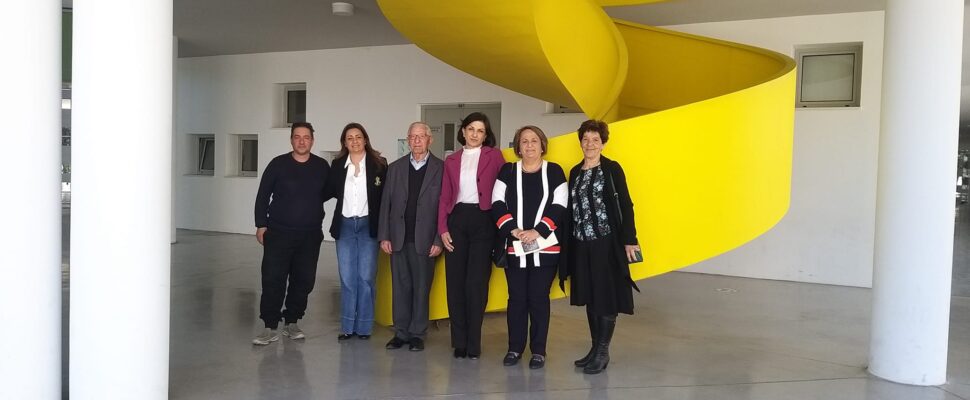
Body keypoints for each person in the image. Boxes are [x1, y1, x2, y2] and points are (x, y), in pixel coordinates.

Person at [559, 119, 641, 374]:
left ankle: (603, 352)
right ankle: (595, 349)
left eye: (595, 140)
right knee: (590, 296)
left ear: (603, 143)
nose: (590, 144)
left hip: (606, 243)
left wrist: (630, 239)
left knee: (605, 296)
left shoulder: (612, 169)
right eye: (585, 139)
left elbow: (626, 204)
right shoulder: (575, 172)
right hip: (581, 244)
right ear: (580, 143)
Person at [491, 126, 567, 369]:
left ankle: (538, 351)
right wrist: (514, 230)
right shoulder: (507, 171)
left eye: (534, 140)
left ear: (542, 145)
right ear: (518, 147)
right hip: (515, 247)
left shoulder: (554, 171)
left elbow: (560, 205)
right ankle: (514, 348)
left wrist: (538, 231)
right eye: (524, 141)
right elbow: (497, 203)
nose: (530, 145)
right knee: (516, 299)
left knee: (538, 299)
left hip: (545, 249)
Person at [252, 122, 330, 345]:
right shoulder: (278, 164)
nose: (302, 141)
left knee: (303, 280)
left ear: (312, 140)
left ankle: (292, 321)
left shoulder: (321, 166)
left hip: (310, 235)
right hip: (278, 233)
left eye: (306, 137)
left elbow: (330, 191)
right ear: (291, 140)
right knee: (272, 279)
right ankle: (269, 326)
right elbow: (263, 195)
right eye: (297, 137)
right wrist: (261, 224)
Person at [438, 112, 506, 359]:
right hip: (457, 220)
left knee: (476, 283)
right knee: (455, 282)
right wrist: (442, 228)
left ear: (486, 135)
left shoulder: (495, 156)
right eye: (471, 129)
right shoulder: (451, 160)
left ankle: (473, 342)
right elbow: (445, 196)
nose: (475, 134)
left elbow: (503, 191)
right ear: (463, 131)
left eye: (480, 131)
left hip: (484, 220)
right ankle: (459, 342)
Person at [377, 122, 444, 352]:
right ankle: (401, 332)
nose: (416, 141)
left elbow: (445, 208)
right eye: (412, 137)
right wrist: (384, 235)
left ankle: (417, 334)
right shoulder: (395, 168)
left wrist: (438, 239)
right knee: (400, 287)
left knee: (422, 288)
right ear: (407, 140)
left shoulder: (441, 169)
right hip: (398, 237)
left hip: (426, 239)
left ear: (429, 140)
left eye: (421, 136)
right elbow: (385, 204)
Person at [327, 122, 387, 341]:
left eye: (358, 137)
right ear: (344, 143)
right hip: (344, 226)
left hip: (368, 226)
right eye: (349, 138)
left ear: (365, 140)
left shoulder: (379, 164)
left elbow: (386, 198)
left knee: (366, 278)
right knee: (347, 278)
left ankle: (363, 327)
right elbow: (327, 190)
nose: (354, 141)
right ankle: (347, 326)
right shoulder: (337, 165)